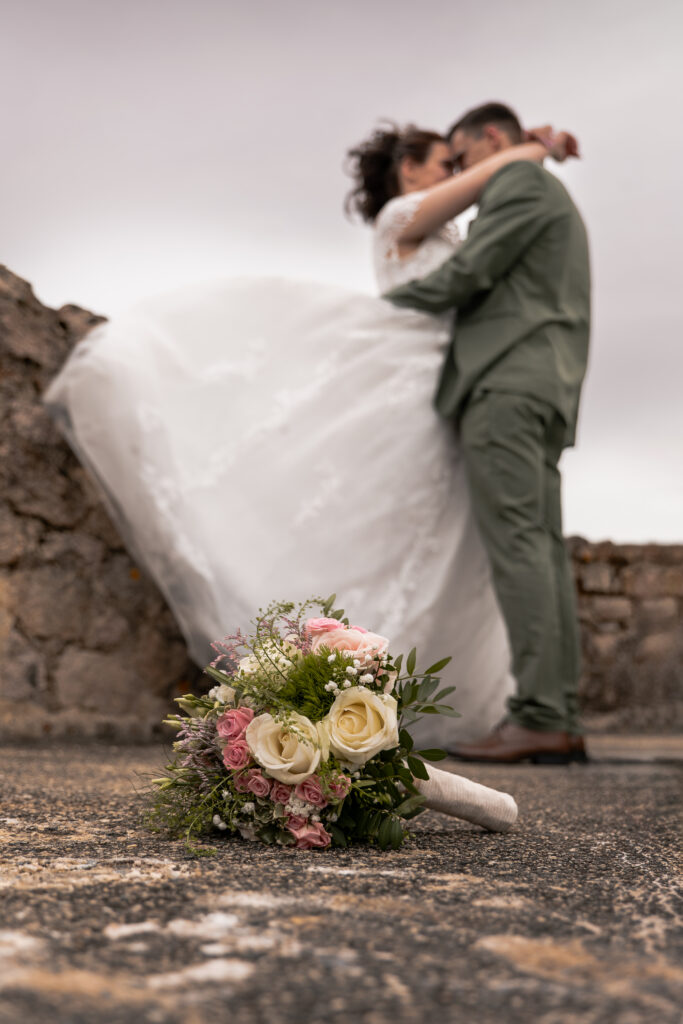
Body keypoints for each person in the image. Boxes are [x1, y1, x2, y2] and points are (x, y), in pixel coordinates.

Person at [44, 118, 573, 749]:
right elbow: (489, 189)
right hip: (421, 379)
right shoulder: (404, 213)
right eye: (443, 164)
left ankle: (401, 689)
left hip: (453, 382)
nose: (454, 176)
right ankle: (353, 677)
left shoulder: (441, 222)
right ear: (408, 171)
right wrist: (533, 149)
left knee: (437, 543)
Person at [385, 103, 590, 763]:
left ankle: (538, 715)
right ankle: (553, 713)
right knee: (541, 547)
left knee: (519, 546)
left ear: (492, 141)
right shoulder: (537, 183)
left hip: (507, 383)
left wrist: (384, 307)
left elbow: (468, 271)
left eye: (466, 160)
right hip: (542, 382)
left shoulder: (519, 182)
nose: (469, 179)